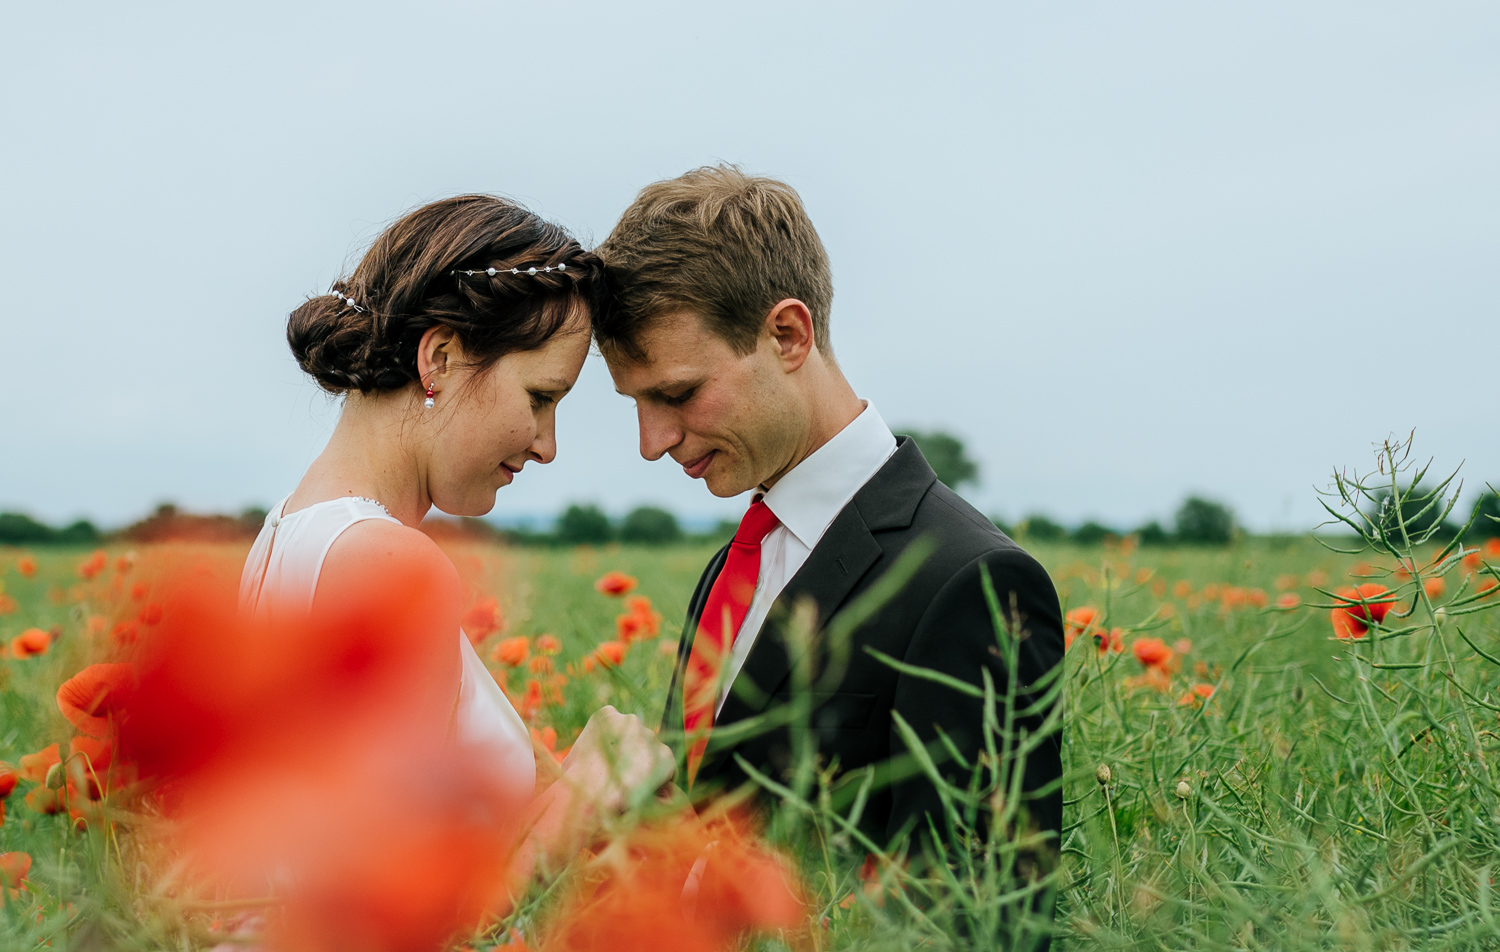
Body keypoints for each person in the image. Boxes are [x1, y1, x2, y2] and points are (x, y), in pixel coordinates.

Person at [595, 167, 1064, 861]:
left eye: (679, 392)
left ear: (787, 334)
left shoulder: (971, 582)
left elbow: (984, 934)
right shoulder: (736, 563)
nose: (651, 441)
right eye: (634, 403)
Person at [241, 194, 674, 881]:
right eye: (540, 397)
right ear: (439, 356)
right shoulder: (382, 562)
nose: (547, 445)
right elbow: (397, 917)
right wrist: (593, 786)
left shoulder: (285, 535)